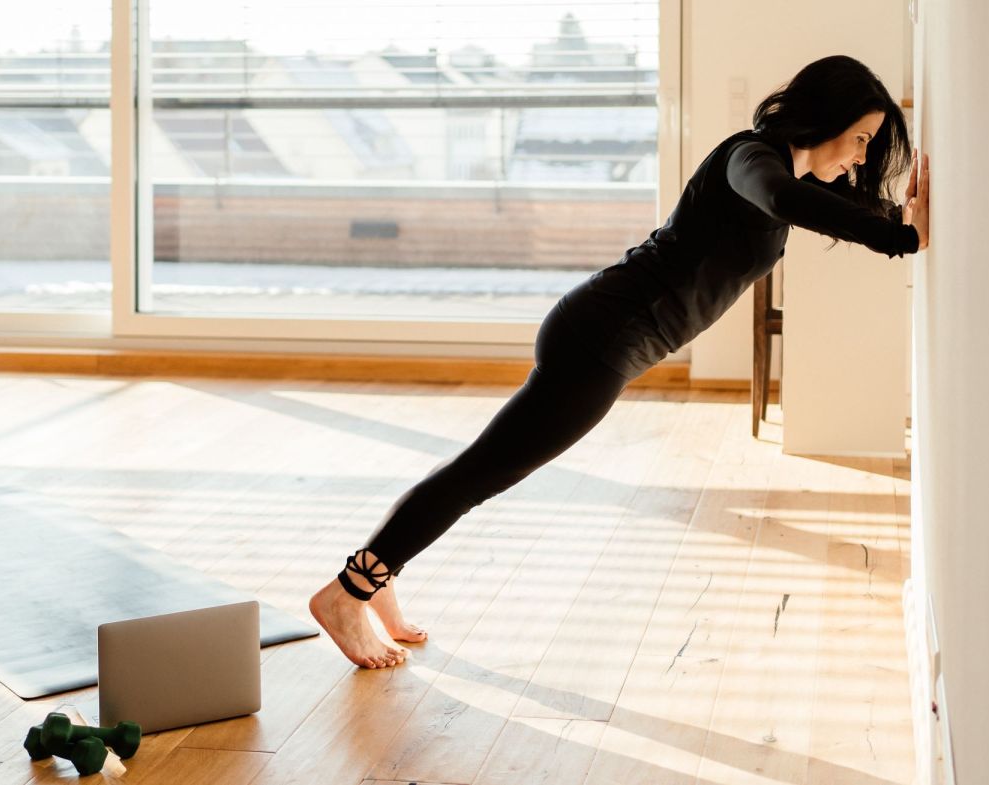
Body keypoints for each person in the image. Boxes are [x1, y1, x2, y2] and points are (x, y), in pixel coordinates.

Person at [309, 54, 931, 668]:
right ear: (825, 117)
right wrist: (900, 238)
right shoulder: (753, 160)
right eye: (860, 138)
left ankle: (379, 568)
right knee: (482, 473)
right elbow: (780, 198)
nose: (859, 156)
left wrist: (898, 217)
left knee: (480, 465)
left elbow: (808, 201)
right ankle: (348, 594)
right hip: (599, 341)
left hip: (602, 334)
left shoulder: (779, 171)